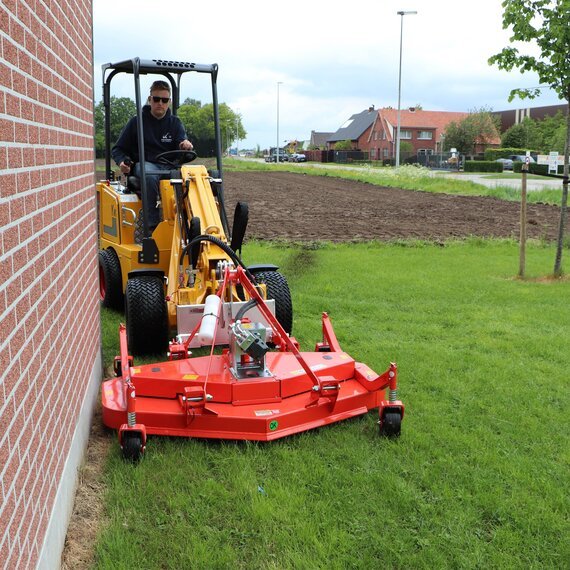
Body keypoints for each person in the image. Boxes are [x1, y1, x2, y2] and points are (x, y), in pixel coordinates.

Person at [112, 80, 194, 229]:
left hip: (169, 166)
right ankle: (152, 228)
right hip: (145, 165)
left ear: (169, 101)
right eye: (156, 99)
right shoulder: (137, 122)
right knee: (149, 174)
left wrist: (185, 144)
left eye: (164, 100)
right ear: (150, 99)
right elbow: (118, 149)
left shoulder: (175, 123)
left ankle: (188, 226)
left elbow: (182, 140)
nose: (160, 103)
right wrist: (122, 162)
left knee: (192, 179)